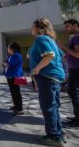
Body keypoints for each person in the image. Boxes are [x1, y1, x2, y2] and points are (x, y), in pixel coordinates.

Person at [29, 18, 65, 146]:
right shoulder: (51, 40)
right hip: (55, 77)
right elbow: (61, 56)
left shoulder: (40, 38)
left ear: (39, 28)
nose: (31, 29)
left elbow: (50, 55)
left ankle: (54, 137)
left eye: (33, 26)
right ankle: (59, 133)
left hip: (47, 77)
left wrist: (37, 69)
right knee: (53, 106)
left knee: (48, 107)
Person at [58, 19, 79, 127]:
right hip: (74, 69)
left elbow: (78, 54)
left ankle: (78, 119)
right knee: (73, 92)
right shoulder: (74, 37)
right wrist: (67, 54)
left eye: (68, 26)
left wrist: (63, 47)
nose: (66, 29)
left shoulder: (77, 37)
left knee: (74, 92)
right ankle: (77, 116)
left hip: (76, 70)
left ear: (75, 25)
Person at [2, 42, 24, 115]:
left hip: (14, 76)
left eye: (8, 47)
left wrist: (5, 64)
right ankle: (16, 106)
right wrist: (5, 63)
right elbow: (5, 63)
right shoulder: (11, 55)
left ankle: (19, 109)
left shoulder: (16, 55)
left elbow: (9, 64)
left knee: (16, 93)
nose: (7, 49)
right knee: (13, 93)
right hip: (10, 76)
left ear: (12, 49)